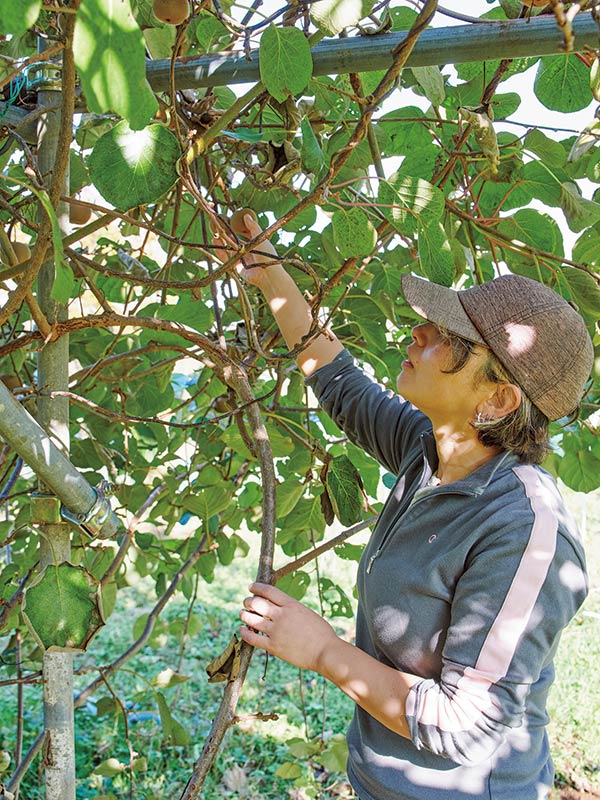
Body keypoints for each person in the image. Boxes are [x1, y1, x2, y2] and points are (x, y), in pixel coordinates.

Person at [214, 211, 593, 800]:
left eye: (451, 340)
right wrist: (268, 273)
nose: (419, 333)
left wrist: (321, 650)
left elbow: (469, 726)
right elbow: (339, 383)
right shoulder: (434, 450)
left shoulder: (523, 532)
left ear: (496, 399)